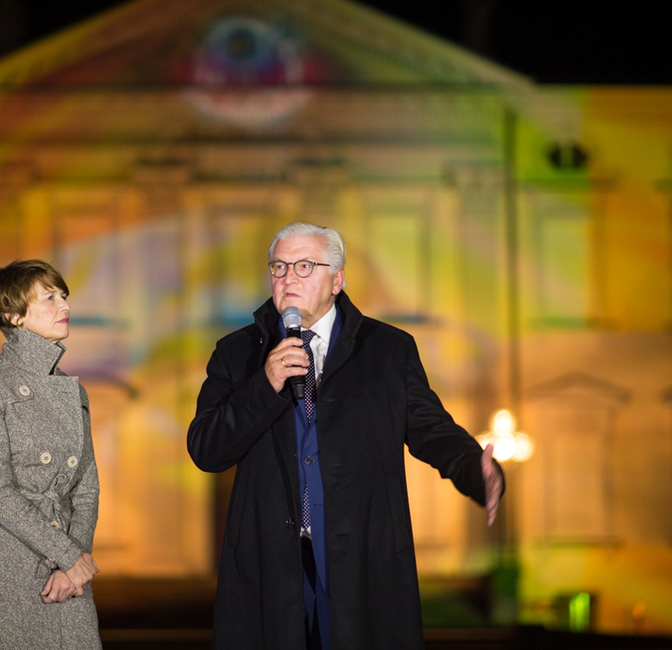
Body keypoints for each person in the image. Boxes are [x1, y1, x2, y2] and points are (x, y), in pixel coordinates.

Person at [188, 222, 504, 650]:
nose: (287, 278)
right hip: (272, 561)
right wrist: (264, 385)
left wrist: (475, 469)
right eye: (278, 267)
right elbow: (206, 448)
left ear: (337, 279)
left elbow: (432, 429)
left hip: (360, 556)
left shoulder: (387, 350)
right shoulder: (238, 352)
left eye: (304, 266)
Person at [0, 259, 102, 649]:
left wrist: (72, 566)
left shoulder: (73, 390)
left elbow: (86, 488)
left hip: (63, 573)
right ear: (13, 314)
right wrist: (68, 554)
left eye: (63, 296)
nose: (64, 305)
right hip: (2, 565)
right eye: (49, 297)